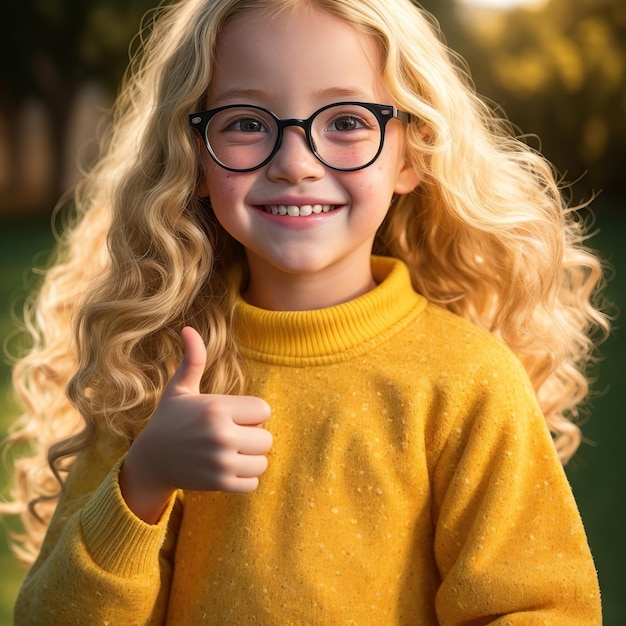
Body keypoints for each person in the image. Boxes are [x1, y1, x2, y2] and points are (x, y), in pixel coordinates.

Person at [3, 0, 609, 623]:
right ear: (195, 158)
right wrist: (144, 482)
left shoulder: (470, 381)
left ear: (411, 154)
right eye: (245, 123)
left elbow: (539, 608)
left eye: (346, 120)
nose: (295, 163)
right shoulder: (156, 376)